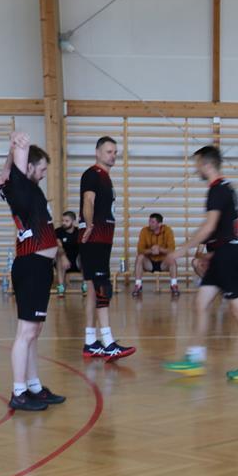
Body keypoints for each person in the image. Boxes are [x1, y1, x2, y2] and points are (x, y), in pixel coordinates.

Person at [165, 145, 238, 381]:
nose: (196, 169)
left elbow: (209, 227)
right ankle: (194, 359)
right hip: (222, 254)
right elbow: (222, 227)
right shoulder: (225, 188)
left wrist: (181, 251)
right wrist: (210, 252)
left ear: (207, 165)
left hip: (227, 255)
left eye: (198, 164)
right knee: (200, 303)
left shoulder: (217, 190)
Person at [0, 131, 66, 412]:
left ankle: (34, 386)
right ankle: (19, 391)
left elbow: (4, 175)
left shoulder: (22, 189)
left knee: (34, 331)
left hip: (39, 266)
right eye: (41, 169)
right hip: (31, 265)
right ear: (27, 168)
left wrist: (10, 151)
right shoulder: (22, 187)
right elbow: (13, 171)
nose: (44, 174)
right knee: (26, 332)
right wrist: (19, 147)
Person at [78, 136, 134, 361]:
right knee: (103, 288)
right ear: (98, 152)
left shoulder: (106, 178)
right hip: (94, 239)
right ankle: (109, 343)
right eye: (109, 151)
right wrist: (89, 224)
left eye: (115, 152)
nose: (113, 155)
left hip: (102, 240)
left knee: (94, 289)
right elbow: (88, 200)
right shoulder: (93, 174)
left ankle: (90, 342)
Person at [132, 212, 179, 297]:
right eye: (149, 221)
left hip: (163, 263)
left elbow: (172, 250)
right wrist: (151, 250)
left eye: (152, 222)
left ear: (160, 224)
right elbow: (140, 250)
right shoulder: (144, 231)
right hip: (149, 263)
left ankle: (174, 285)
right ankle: (138, 285)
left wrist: (160, 249)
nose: (150, 224)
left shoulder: (168, 231)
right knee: (140, 257)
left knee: (172, 258)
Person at [54, 209, 83, 296]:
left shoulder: (79, 232)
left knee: (85, 256)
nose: (64, 223)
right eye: (63, 221)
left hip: (77, 262)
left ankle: (85, 285)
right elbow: (58, 246)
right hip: (63, 262)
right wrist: (63, 257)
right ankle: (61, 287)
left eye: (67, 221)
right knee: (59, 256)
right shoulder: (58, 231)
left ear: (73, 222)